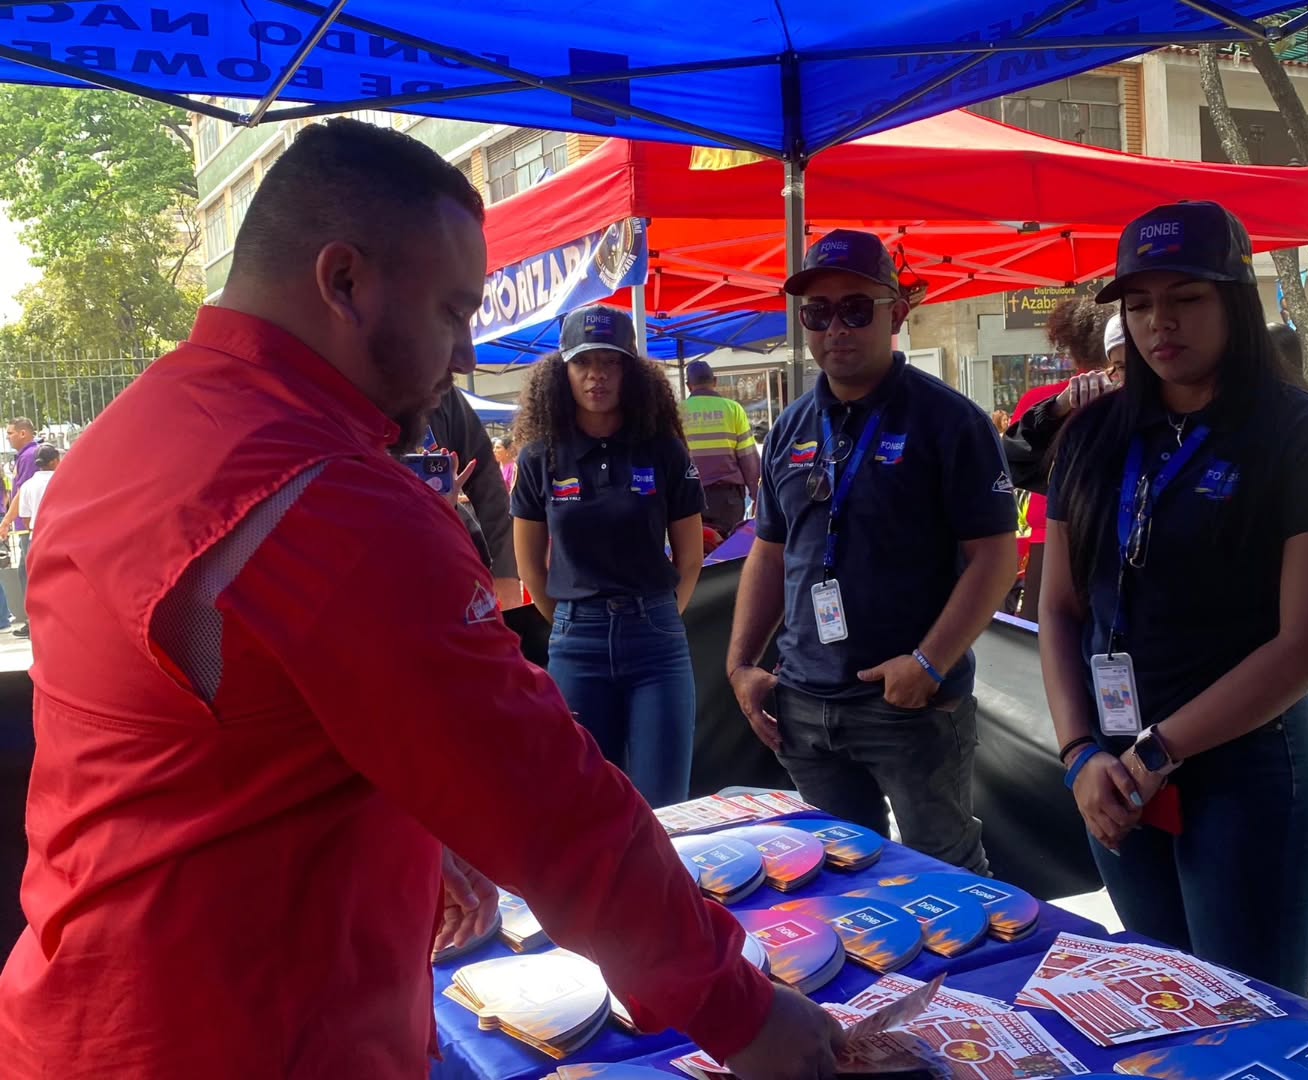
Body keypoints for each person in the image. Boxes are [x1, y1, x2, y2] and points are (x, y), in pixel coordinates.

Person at [0, 119, 842, 1079]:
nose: (465, 352)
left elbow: (231, 730)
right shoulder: (327, 498)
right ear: (344, 280)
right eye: (452, 310)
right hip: (250, 1036)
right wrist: (741, 1011)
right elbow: (553, 806)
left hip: (88, 1011)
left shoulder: (126, 434)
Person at [1039, 201, 1308, 995]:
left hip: (1245, 774)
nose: (1162, 324)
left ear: (1235, 301)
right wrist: (1079, 752)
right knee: (1162, 1002)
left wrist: (1160, 750)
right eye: (1142, 303)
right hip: (1113, 775)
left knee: (1250, 1018)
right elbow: (1058, 607)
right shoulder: (1090, 437)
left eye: (1187, 297)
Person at [727, 229, 1017, 872]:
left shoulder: (950, 422)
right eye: (817, 312)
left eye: (856, 308)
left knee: (947, 874)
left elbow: (997, 559)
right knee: (838, 877)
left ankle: (965, 980)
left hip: (908, 704)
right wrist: (741, 664)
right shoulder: (790, 428)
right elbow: (770, 553)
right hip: (803, 704)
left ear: (897, 314)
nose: (837, 327)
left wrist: (928, 664)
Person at [510, 305, 706, 808]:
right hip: (578, 643)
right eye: (583, 363)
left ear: (630, 371)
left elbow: (690, 555)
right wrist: (570, 621)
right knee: (586, 804)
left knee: (666, 807)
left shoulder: (663, 448)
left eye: (611, 362)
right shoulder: (541, 456)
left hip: (656, 642)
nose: (596, 375)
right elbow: (529, 562)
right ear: (563, 371)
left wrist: (662, 616)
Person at [1006, 298, 1112, 622]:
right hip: (1104, 540)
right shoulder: (1129, 396)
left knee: (1040, 646)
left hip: (1047, 539)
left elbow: (1011, 457)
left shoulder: (1043, 399)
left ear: (1068, 347)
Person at [424, 384, 523, 609]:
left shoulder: (442, 392)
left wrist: (505, 573)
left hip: (449, 578)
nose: (466, 363)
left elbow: (486, 482)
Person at [681, 359, 761, 537]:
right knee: (727, 555)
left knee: (693, 555)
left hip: (689, 498)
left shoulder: (677, 412)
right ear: (715, 381)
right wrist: (758, 496)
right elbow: (749, 460)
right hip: (728, 500)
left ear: (688, 385)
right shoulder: (733, 409)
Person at [2, 418, 38, 636]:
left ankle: (33, 620)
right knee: (24, 572)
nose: (8, 437)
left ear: (23, 433)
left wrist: (10, 519)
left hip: (26, 524)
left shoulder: (28, 456)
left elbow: (23, 492)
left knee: (27, 572)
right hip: (23, 523)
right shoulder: (26, 456)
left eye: (11, 433)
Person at [0, 444, 59, 543]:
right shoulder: (64, 482)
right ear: (55, 461)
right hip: (61, 536)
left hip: (38, 538)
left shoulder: (27, 486)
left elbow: (26, 518)